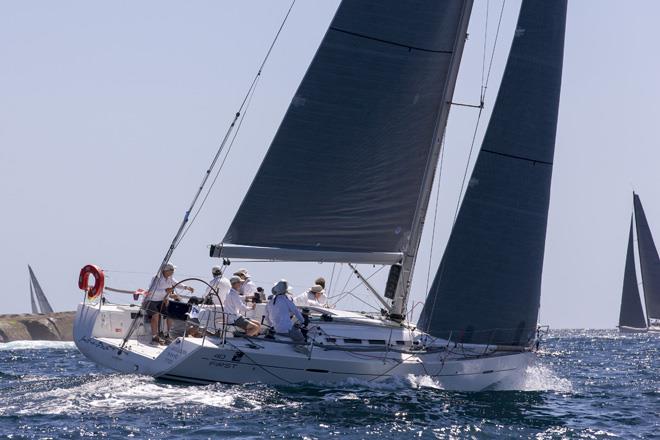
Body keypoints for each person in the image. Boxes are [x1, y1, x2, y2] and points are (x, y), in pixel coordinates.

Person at [143, 262, 194, 344]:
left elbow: (176, 284)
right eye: (172, 270)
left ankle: (168, 334)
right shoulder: (156, 278)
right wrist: (166, 291)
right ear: (166, 270)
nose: (173, 271)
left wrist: (186, 287)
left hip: (163, 300)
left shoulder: (170, 277)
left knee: (169, 314)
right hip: (152, 300)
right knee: (155, 317)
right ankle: (154, 336)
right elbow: (152, 291)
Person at [265, 280, 306, 346]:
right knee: (301, 339)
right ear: (285, 292)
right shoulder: (287, 301)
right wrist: (303, 321)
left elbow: (266, 317)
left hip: (275, 329)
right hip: (286, 330)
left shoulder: (269, 302)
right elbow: (296, 312)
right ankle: (298, 351)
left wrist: (272, 325)